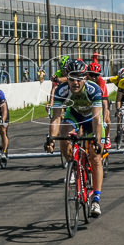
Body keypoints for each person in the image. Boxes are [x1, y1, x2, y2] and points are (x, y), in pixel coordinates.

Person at [45, 58, 105, 216]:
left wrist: (97, 141)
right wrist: (51, 138)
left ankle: (96, 200)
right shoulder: (62, 90)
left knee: (95, 156)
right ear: (67, 78)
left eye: (79, 78)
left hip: (92, 118)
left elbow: (98, 119)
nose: (75, 83)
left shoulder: (94, 90)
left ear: (85, 77)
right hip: (75, 115)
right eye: (72, 78)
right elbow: (56, 117)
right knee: (64, 132)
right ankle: (72, 164)